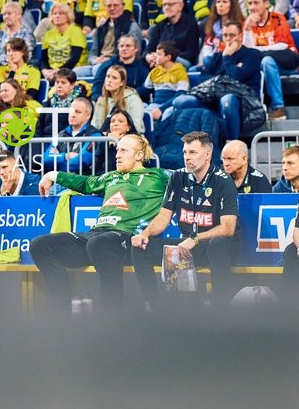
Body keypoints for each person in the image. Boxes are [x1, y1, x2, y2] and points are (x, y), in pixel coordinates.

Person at [32, 134, 170, 314]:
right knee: (39, 245)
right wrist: (52, 175)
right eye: (117, 150)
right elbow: (85, 183)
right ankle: (62, 316)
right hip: (95, 237)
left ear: (139, 155)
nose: (117, 155)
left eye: (123, 150)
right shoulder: (110, 177)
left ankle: (111, 316)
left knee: (99, 243)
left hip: (128, 238)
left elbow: (188, 178)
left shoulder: (158, 175)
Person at [131, 131, 241, 307]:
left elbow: (228, 228)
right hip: (189, 244)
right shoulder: (178, 177)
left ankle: (220, 308)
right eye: (184, 152)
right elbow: (163, 217)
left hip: (220, 245)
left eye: (192, 152)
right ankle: (155, 306)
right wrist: (145, 234)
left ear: (207, 154)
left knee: (217, 245)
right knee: (139, 249)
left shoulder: (223, 181)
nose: (187, 157)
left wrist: (195, 238)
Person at [173, 22, 261, 141]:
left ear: (240, 35)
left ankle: (231, 142)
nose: (228, 39)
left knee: (227, 100)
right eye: (225, 35)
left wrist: (227, 58)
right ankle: (200, 139)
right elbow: (202, 80)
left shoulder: (251, 54)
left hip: (244, 101)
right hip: (214, 99)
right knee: (181, 101)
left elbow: (236, 77)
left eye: (232, 35)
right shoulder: (216, 57)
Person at [243, 0, 298, 121]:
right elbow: (247, 51)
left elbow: (282, 45)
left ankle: (278, 108)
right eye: (250, 3)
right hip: (263, 64)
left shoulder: (277, 18)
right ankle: (254, 109)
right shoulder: (248, 23)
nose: (252, 7)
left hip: (287, 63)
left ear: (266, 4)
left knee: (267, 60)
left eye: (256, 3)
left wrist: (258, 51)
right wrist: (248, 28)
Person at [82, 0, 143, 81]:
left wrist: (109, 60)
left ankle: (99, 89)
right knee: (74, 73)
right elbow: (93, 52)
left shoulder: (132, 26)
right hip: (98, 63)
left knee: (97, 70)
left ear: (123, 6)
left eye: (115, 5)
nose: (112, 8)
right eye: (109, 6)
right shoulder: (101, 28)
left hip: (117, 65)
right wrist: (94, 60)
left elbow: (134, 53)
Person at [41, 97, 104, 174]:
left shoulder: (95, 135)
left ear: (88, 115)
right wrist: (65, 156)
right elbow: (45, 158)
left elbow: (82, 161)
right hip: (59, 179)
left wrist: (57, 162)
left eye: (78, 112)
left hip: (82, 179)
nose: (73, 115)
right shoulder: (62, 134)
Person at [145, 0, 201, 68]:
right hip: (159, 60)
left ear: (180, 6)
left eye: (170, 4)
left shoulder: (191, 24)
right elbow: (148, 49)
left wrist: (166, 57)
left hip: (181, 62)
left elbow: (191, 53)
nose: (166, 7)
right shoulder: (159, 26)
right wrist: (149, 56)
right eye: (164, 5)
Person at [90, 33, 149, 101]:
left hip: (134, 100)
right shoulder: (108, 65)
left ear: (136, 49)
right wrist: (98, 97)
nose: (124, 48)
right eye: (121, 46)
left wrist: (125, 95)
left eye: (128, 46)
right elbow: (98, 84)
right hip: (109, 100)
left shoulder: (143, 67)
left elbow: (145, 89)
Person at [34, 67, 89, 139]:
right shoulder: (49, 101)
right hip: (45, 139)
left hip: (66, 140)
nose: (59, 86)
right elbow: (39, 127)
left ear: (72, 85)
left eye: (63, 83)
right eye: (57, 82)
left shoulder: (82, 103)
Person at [141, 41, 189, 122]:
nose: (155, 56)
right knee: (142, 113)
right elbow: (144, 91)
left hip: (171, 106)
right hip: (155, 105)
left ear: (168, 57)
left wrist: (161, 109)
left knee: (167, 113)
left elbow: (180, 95)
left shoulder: (180, 73)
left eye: (159, 54)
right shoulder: (155, 72)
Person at [40, 1, 88, 81]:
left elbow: (75, 58)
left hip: (73, 69)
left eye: (61, 13)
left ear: (68, 16)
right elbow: (43, 59)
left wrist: (58, 71)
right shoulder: (48, 35)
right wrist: (45, 71)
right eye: (54, 14)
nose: (57, 16)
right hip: (52, 71)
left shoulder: (76, 31)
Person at [91, 65, 145, 134]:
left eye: (114, 78)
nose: (109, 80)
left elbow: (135, 127)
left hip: (130, 138)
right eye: (108, 76)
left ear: (122, 82)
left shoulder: (133, 99)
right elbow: (94, 127)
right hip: (105, 138)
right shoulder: (101, 101)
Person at [200, 0, 246, 65]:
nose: (220, 5)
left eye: (224, 2)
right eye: (218, 2)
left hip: (233, 59)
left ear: (232, 5)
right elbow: (207, 45)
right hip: (214, 59)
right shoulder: (213, 24)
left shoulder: (241, 24)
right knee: (195, 68)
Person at [0, 1, 34, 67]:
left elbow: (27, 56)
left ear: (19, 15)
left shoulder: (26, 33)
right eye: (4, 14)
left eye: (9, 13)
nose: (6, 16)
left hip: (19, 69)